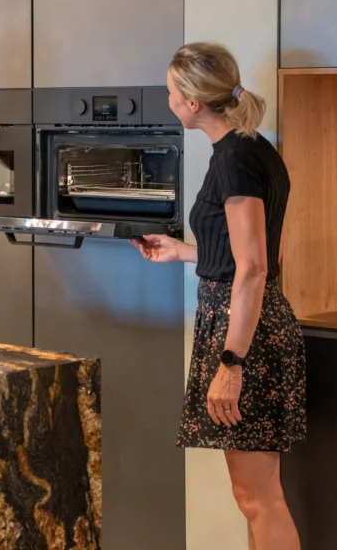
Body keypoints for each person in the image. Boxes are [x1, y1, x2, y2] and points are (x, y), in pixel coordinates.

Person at [130, 42, 305, 550]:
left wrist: (232, 363)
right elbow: (245, 255)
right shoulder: (250, 149)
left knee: (258, 498)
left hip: (244, 335)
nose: (167, 100)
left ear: (192, 102)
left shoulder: (235, 159)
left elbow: (255, 268)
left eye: (170, 92)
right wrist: (184, 252)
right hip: (245, 324)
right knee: (253, 495)